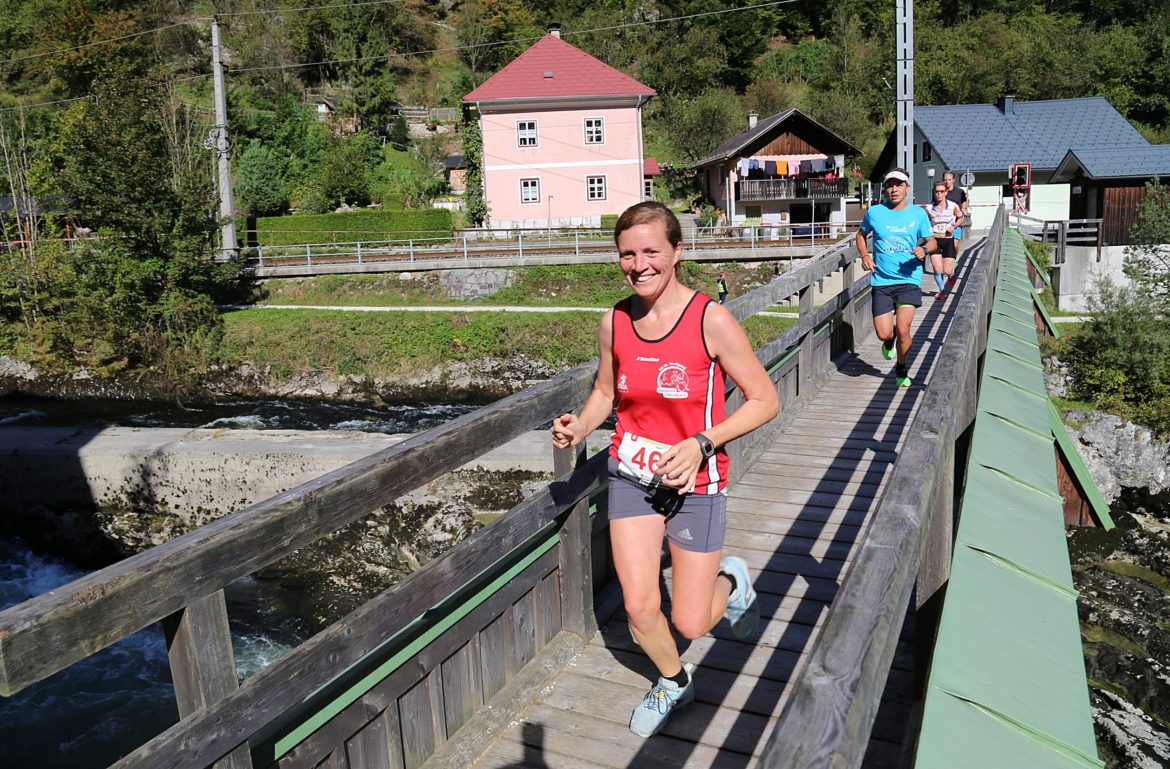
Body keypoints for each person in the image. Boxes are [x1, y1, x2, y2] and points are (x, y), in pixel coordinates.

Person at [551, 201, 779, 738]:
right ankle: (674, 681)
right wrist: (581, 427)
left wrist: (704, 441)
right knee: (638, 606)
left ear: (678, 251)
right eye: (627, 254)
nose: (639, 264)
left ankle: (733, 582)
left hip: (697, 481)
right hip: (633, 474)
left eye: (652, 250)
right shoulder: (615, 319)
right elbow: (607, 391)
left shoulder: (711, 319)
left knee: (691, 621)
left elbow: (764, 399)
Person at [855, 169, 937, 387]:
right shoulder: (875, 212)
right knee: (884, 333)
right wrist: (864, 255)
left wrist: (924, 250)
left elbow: (932, 241)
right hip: (882, 281)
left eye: (898, 185)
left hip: (909, 279)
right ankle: (889, 342)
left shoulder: (918, 214)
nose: (894, 189)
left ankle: (901, 368)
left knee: (903, 329)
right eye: (890, 185)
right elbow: (860, 235)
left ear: (907, 188)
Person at [921, 181, 964, 297]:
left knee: (946, 270)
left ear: (946, 192)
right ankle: (943, 291)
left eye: (941, 191)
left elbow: (961, 218)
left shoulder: (953, 206)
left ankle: (951, 274)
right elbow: (923, 223)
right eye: (936, 192)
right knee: (937, 268)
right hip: (934, 240)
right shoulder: (929, 208)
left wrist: (954, 226)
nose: (939, 194)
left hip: (948, 239)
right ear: (934, 193)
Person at [942, 170, 970, 261]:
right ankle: (947, 263)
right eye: (945, 180)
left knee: (955, 245)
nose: (947, 182)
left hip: (956, 222)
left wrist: (964, 208)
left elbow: (965, 201)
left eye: (949, 179)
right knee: (945, 247)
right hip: (944, 223)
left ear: (953, 180)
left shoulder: (959, 191)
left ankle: (954, 260)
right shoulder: (940, 192)